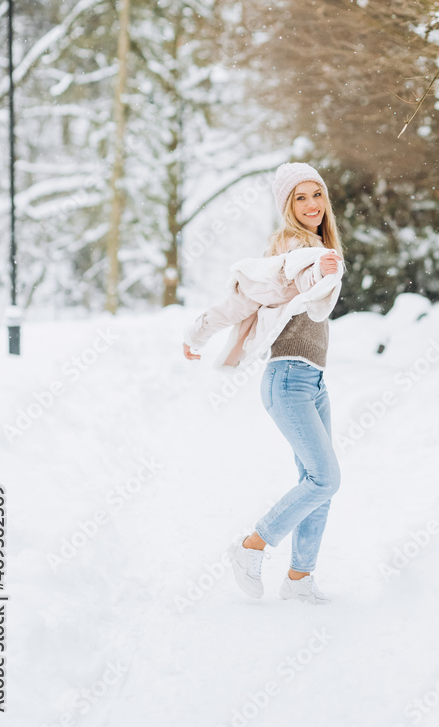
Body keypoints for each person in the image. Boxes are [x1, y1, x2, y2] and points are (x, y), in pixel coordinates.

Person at [182, 162, 344, 605]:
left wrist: (323, 262)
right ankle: (251, 546)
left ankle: (299, 580)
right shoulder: (294, 247)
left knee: (317, 484)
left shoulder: (318, 245)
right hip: (288, 379)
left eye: (316, 194)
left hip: (312, 380)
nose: (311, 204)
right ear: (287, 206)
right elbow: (296, 273)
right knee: (325, 479)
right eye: (300, 197)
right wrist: (198, 331)